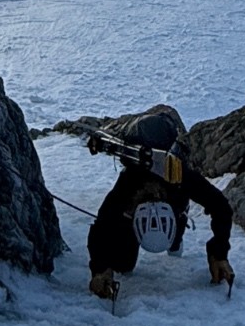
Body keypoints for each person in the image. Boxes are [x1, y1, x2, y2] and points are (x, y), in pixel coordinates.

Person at [85, 107, 235, 299]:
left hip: (175, 207)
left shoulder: (179, 176)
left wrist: (219, 254)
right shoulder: (130, 183)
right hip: (134, 212)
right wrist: (101, 270)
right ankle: (135, 229)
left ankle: (176, 236)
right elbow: (102, 225)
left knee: (174, 238)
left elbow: (220, 207)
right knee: (123, 265)